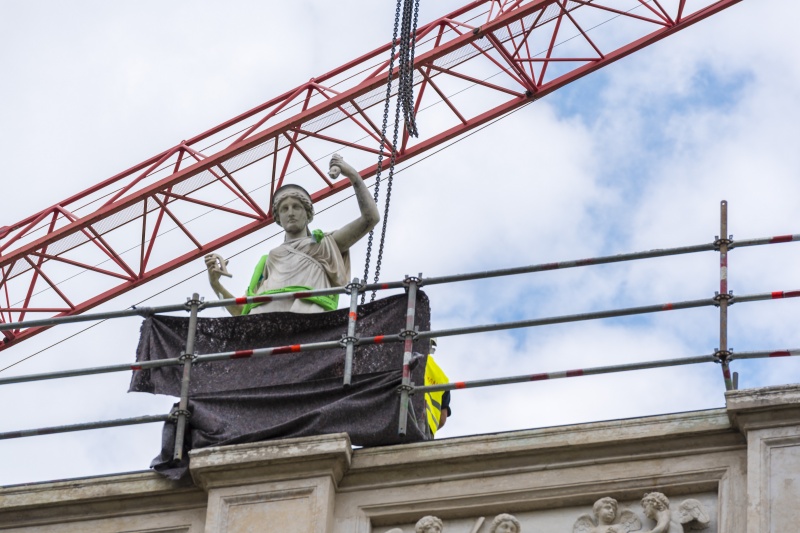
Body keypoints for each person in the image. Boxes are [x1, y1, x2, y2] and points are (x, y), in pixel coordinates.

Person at [205, 154, 379, 316]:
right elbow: (242, 311)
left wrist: (353, 176)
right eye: (284, 209)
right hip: (263, 325)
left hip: (305, 325)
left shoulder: (323, 245)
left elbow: (370, 218)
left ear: (308, 214)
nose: (290, 213)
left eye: (296, 207)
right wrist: (215, 284)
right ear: (278, 218)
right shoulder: (269, 259)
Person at [424, 338, 452, 436]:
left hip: (400, 419)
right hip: (426, 431)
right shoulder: (442, 378)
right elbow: (442, 419)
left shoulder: (403, 361)